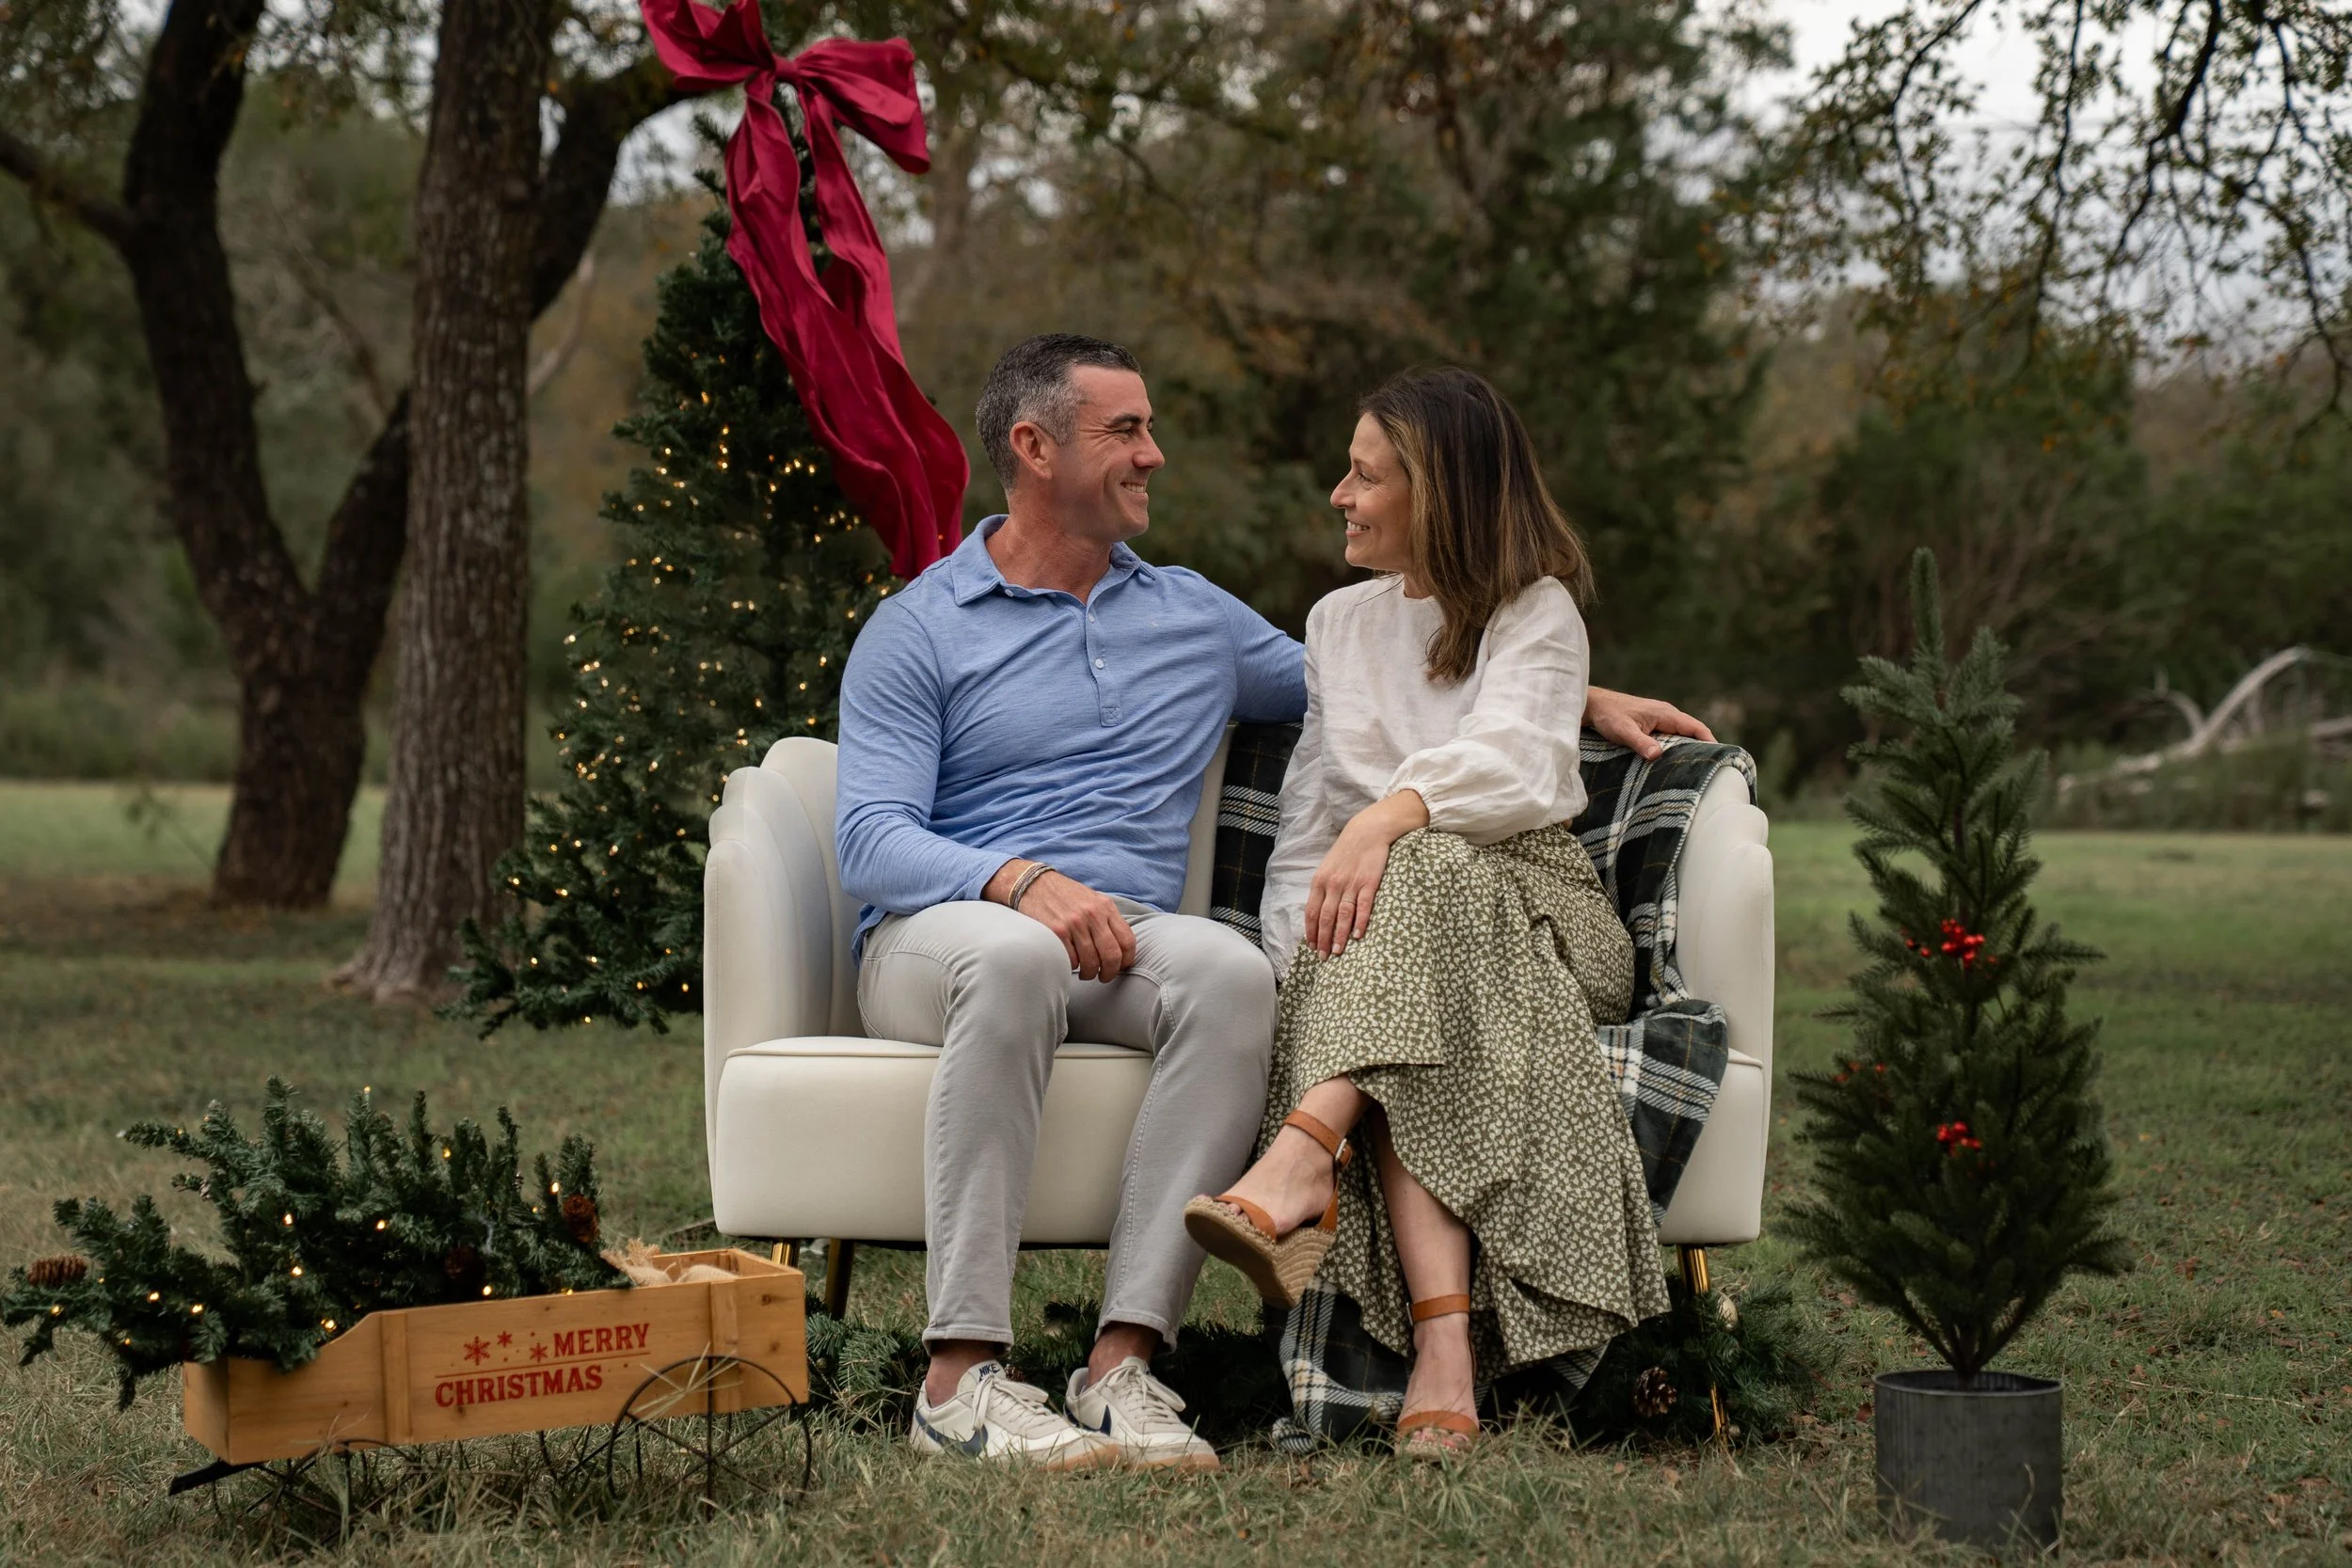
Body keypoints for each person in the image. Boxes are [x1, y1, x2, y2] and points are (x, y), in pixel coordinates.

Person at [835, 336, 1708, 1470]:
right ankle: (959, 1378)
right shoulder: (919, 626)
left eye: (1150, 426)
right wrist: (1017, 882)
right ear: (1033, 447)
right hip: (944, 935)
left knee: (1234, 969)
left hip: (1123, 937)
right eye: (1126, 431)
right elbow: (869, 839)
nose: (1156, 453)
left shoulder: (1192, 616)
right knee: (1014, 958)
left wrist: (1567, 689)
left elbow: (1388, 667)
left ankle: (1122, 1367)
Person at [1185, 365, 1674, 1457]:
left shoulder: (1534, 611)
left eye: (1363, 475)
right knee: (1403, 991)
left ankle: (1304, 1152)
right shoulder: (1337, 621)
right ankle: (1443, 1353)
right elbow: (1312, 814)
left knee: (1433, 867)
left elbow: (1516, 766)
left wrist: (1389, 819)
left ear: (1437, 490)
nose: (1337, 495)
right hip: (1393, 945)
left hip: (1533, 907)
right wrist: (1293, 966)